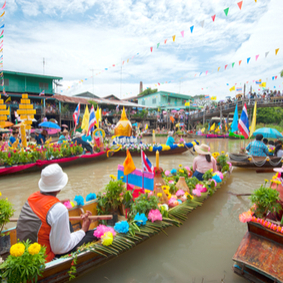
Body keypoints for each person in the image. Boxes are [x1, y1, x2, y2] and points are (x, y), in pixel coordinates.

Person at [16, 164, 97, 262]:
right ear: (60, 186)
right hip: (45, 258)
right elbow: (60, 249)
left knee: (66, 222)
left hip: (26, 251)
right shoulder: (58, 209)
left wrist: (57, 204)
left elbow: (45, 208)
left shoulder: (32, 197)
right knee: (94, 234)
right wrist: (83, 230)